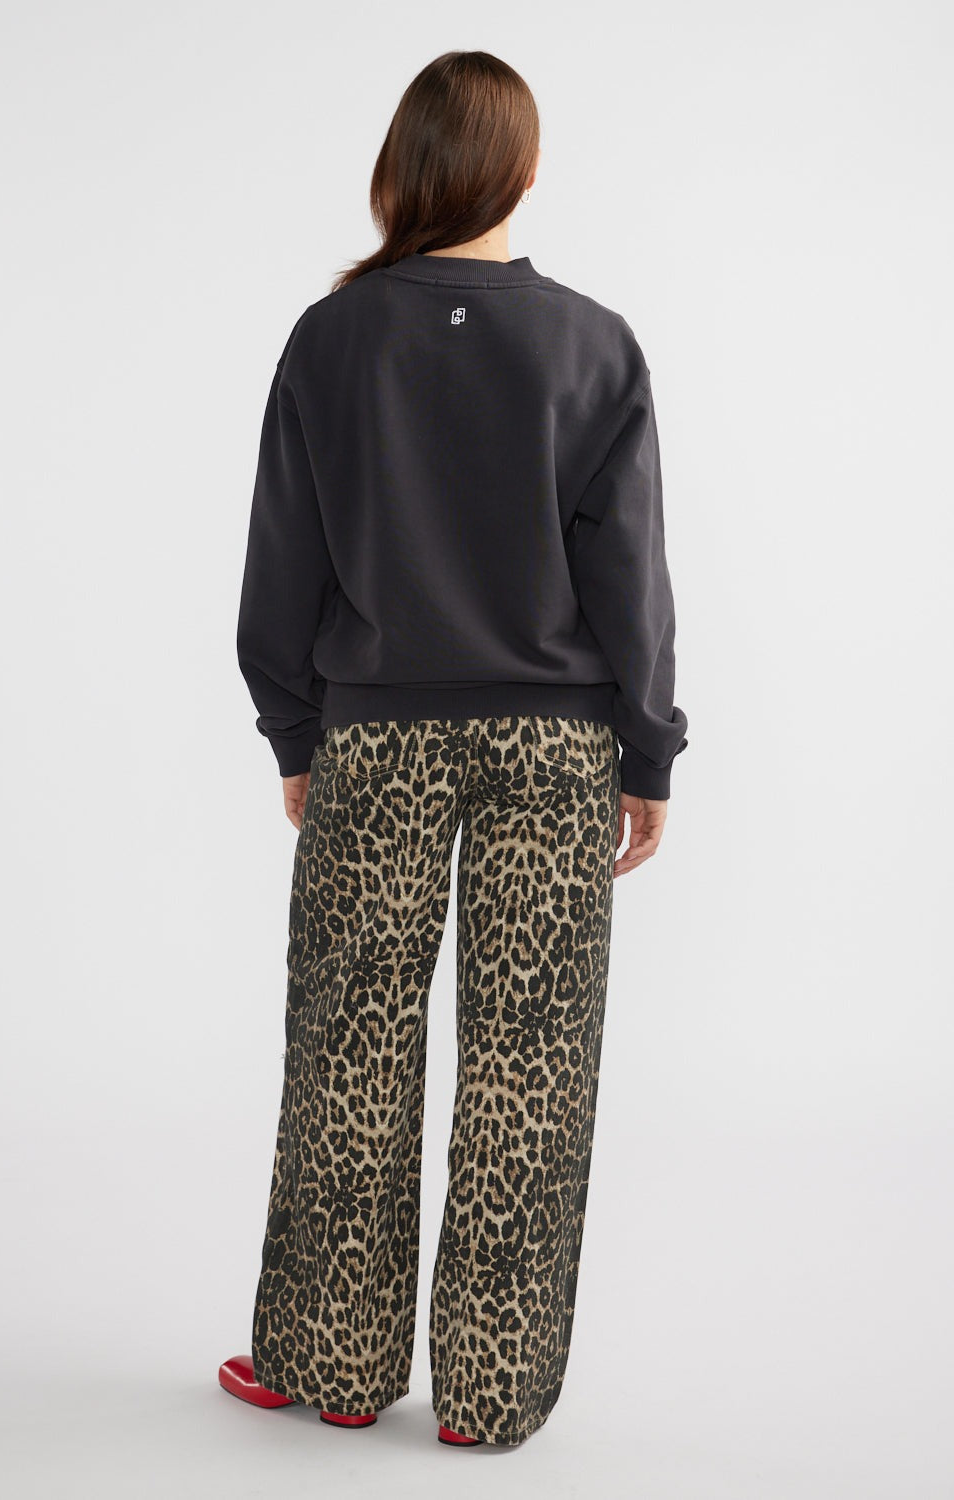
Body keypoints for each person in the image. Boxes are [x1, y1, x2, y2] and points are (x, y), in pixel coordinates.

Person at [217, 48, 688, 1450]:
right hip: (555, 747)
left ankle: (335, 1367)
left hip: (378, 740)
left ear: (401, 171)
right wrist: (646, 751)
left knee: (349, 1047)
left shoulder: (331, 339)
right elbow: (630, 576)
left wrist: (294, 730)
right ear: (526, 170)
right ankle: (488, 1395)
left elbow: (282, 560)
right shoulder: (593, 345)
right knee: (529, 1066)